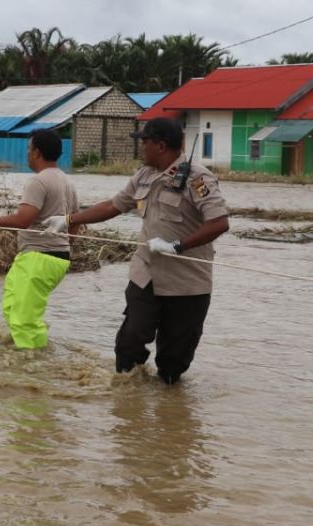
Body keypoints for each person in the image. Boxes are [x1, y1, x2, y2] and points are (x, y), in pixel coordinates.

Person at [56, 117, 230, 384]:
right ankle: (128, 402)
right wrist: (69, 219)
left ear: (160, 146)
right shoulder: (143, 176)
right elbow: (113, 206)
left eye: (145, 143)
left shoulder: (198, 179)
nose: (141, 148)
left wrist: (177, 246)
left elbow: (219, 223)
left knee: (174, 361)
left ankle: (168, 411)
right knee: (130, 341)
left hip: (186, 284)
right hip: (145, 275)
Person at [0, 128, 78, 349]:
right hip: (51, 257)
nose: (27, 153)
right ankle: (25, 359)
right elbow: (76, 220)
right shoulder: (67, 181)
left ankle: (33, 365)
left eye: (28, 148)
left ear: (37, 153)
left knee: (24, 320)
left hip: (39, 257)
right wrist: (66, 247)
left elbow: (23, 220)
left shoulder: (38, 181)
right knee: (13, 306)